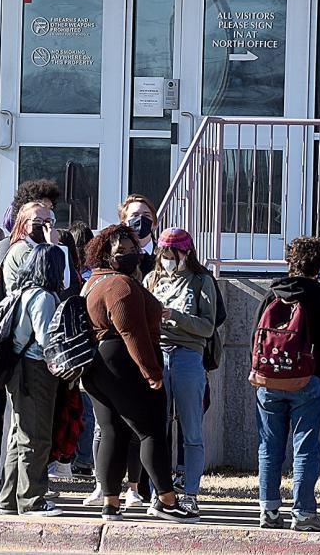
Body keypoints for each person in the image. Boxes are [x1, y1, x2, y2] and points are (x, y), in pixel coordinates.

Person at [80, 224, 199, 524]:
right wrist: (152, 372)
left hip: (97, 366)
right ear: (105, 253)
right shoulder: (120, 285)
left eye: (132, 249)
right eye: (123, 251)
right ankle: (166, 501)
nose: (131, 255)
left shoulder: (93, 282)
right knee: (151, 432)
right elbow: (132, 332)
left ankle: (110, 503)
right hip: (123, 363)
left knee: (112, 431)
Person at [253, 236, 320, 532]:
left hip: (268, 382)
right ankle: (303, 513)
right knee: (305, 448)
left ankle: (268, 511)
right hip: (307, 382)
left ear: (290, 261)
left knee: (269, 446)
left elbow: (256, 340)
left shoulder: (272, 295)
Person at [142, 228, 217, 515]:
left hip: (188, 356)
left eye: (173, 255)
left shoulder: (201, 281)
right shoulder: (152, 279)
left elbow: (207, 327)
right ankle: (159, 493)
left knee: (191, 431)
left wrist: (175, 316)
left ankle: (190, 493)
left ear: (187, 253)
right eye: (164, 255)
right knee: (156, 430)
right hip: (158, 355)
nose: (168, 260)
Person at [0, 243, 67, 517]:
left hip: (16, 368)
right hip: (35, 369)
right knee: (36, 437)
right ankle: (32, 500)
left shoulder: (21, 292)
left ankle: (9, 499)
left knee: (19, 435)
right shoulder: (44, 298)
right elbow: (46, 340)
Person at [118, 194, 158, 277]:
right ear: (124, 223)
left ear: (154, 223)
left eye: (146, 215)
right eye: (135, 215)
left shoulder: (163, 256)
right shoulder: (117, 256)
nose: (141, 219)